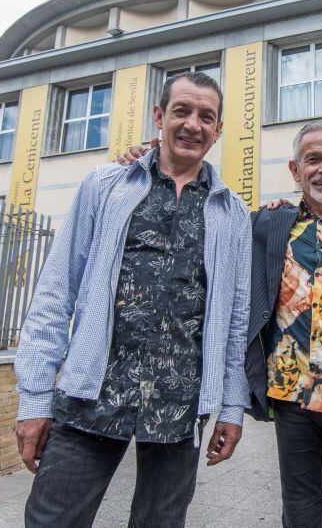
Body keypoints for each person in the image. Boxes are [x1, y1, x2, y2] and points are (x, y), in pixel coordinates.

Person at [120, 122, 322, 528]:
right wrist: (150, 157)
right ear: (295, 170)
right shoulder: (267, 223)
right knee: (300, 510)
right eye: (313, 159)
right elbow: (201, 209)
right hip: (292, 398)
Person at [14, 71, 252, 528]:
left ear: (218, 131)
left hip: (180, 405)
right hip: (91, 395)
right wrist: (35, 399)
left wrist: (232, 406)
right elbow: (55, 292)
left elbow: (235, 320)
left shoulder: (231, 213)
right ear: (160, 116)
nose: (193, 125)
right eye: (182, 111)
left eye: (207, 117)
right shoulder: (105, 186)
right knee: (51, 520)